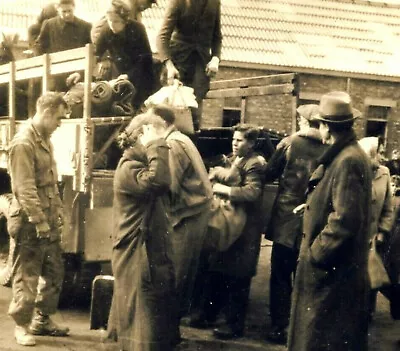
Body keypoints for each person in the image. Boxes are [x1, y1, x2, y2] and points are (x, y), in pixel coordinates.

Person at [287, 91, 373, 351]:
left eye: (319, 124)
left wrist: (316, 255)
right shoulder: (346, 154)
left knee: (321, 339)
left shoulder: (347, 160)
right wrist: (314, 208)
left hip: (330, 273)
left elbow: (345, 220)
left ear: (326, 127)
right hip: (331, 272)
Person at [192, 124, 266, 339]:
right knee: (219, 268)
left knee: (238, 277)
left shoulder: (254, 164)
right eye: (234, 140)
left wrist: (222, 189)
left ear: (251, 143)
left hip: (246, 228)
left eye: (240, 140)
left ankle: (233, 325)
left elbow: (252, 192)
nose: (235, 143)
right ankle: (208, 315)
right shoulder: (239, 160)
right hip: (231, 223)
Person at [7, 92, 70, 346]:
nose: (60, 123)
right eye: (59, 117)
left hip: (48, 218)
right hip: (31, 221)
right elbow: (25, 188)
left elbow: (50, 183)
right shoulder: (24, 143)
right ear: (46, 112)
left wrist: (58, 213)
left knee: (54, 271)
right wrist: (39, 220)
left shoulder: (44, 139)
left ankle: (42, 320)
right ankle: (21, 326)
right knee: (28, 275)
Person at [111, 112, 176, 351]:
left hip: (143, 248)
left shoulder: (138, 165)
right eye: (157, 137)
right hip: (135, 250)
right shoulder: (129, 167)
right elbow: (159, 182)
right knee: (140, 311)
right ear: (142, 136)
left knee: (146, 309)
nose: (164, 143)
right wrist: (155, 144)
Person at [146, 105, 212, 339]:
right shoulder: (180, 138)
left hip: (186, 216)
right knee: (180, 274)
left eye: (148, 125)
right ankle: (170, 332)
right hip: (193, 213)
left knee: (174, 275)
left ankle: (168, 335)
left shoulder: (171, 145)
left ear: (160, 125)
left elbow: (167, 186)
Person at [264, 104, 327, 344]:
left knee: (280, 274)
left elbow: (269, 172)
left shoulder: (289, 143)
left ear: (302, 122)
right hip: (314, 220)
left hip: (285, 219)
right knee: (308, 276)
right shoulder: (329, 148)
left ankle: (279, 327)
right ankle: (303, 328)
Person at [156, 0, 222, 131]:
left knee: (194, 116)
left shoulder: (214, 2)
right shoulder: (178, 2)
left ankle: (187, 148)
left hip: (200, 68)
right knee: (170, 115)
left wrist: (215, 58)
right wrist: (169, 65)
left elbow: (217, 37)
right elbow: (162, 37)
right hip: (177, 66)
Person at [94, 0, 155, 111]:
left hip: (142, 73)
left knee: (139, 106)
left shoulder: (138, 29)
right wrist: (103, 59)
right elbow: (96, 53)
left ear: (125, 21)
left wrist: (129, 75)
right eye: (109, 20)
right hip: (122, 74)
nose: (112, 24)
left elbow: (145, 59)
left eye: (116, 21)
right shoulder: (106, 30)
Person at [358, 137, 395, 320]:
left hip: (374, 237)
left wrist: (383, 231)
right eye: (378, 152)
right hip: (354, 236)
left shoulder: (385, 173)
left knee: (372, 275)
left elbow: (388, 208)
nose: (381, 156)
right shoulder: (355, 172)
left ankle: (368, 311)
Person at [34, 0, 92, 91]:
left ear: (74, 7)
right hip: (55, 75)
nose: (67, 14)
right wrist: (45, 69)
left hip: (77, 74)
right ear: (57, 9)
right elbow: (39, 46)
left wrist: (80, 72)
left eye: (69, 11)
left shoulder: (85, 27)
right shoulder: (49, 25)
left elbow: (92, 52)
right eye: (64, 12)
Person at [91, 0, 157, 43]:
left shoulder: (137, 12)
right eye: (149, 1)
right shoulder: (126, 6)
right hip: (105, 43)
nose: (150, 6)